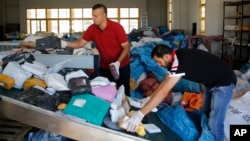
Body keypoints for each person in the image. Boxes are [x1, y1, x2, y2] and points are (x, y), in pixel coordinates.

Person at [125, 44, 236, 141]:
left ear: (166, 56)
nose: (158, 65)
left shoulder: (179, 62)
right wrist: (150, 99)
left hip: (223, 83)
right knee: (206, 113)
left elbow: (164, 91)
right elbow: (164, 83)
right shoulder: (176, 57)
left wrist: (140, 113)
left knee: (215, 123)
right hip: (210, 83)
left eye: (159, 62)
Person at [61, 4, 131, 96]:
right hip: (106, 67)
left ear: (104, 15)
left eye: (96, 16)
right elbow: (80, 43)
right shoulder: (92, 29)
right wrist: (65, 43)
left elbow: (127, 47)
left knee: (124, 91)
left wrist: (117, 63)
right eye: (92, 15)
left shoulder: (116, 27)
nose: (93, 18)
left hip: (121, 66)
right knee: (106, 93)